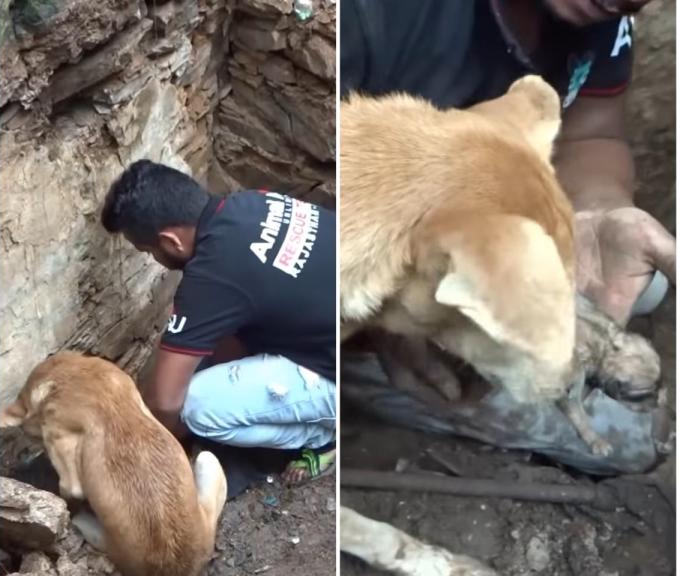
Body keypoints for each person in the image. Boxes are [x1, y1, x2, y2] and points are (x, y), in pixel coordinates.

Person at [340, 0, 674, 472]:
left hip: (472, 252)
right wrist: (401, 320)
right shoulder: (359, 21)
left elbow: (593, 135)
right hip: (375, 269)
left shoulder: (602, 19)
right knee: (633, 438)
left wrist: (600, 206)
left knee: (646, 288)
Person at [101, 160, 337, 484]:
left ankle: (320, 437)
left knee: (194, 407)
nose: (153, 259)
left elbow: (166, 402)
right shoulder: (252, 202)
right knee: (199, 366)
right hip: (353, 329)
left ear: (171, 241)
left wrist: (162, 454)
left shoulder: (212, 276)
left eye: (148, 251)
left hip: (334, 375)